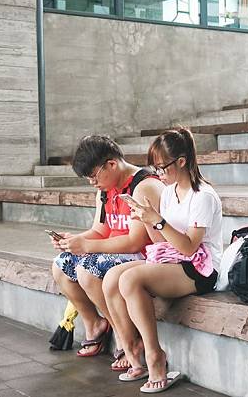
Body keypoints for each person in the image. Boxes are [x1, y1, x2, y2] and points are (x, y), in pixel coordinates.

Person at [103, 127, 222, 393]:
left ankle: (155, 357)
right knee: (113, 278)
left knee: (132, 279)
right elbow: (163, 243)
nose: (159, 174)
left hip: (201, 268)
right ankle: (133, 352)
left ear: (181, 161)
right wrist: (146, 220)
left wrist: (157, 220)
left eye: (162, 167)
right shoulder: (169, 192)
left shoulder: (202, 195)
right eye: (154, 168)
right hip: (174, 259)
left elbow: (190, 248)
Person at [50, 135, 164, 369]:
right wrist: (73, 241)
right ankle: (95, 324)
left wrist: (88, 247)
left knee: (87, 269)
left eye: (94, 176)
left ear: (111, 164)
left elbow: (135, 241)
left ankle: (127, 337)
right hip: (112, 253)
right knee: (61, 264)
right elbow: (99, 230)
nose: (92, 183)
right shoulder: (105, 189)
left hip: (144, 257)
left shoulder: (143, 186)